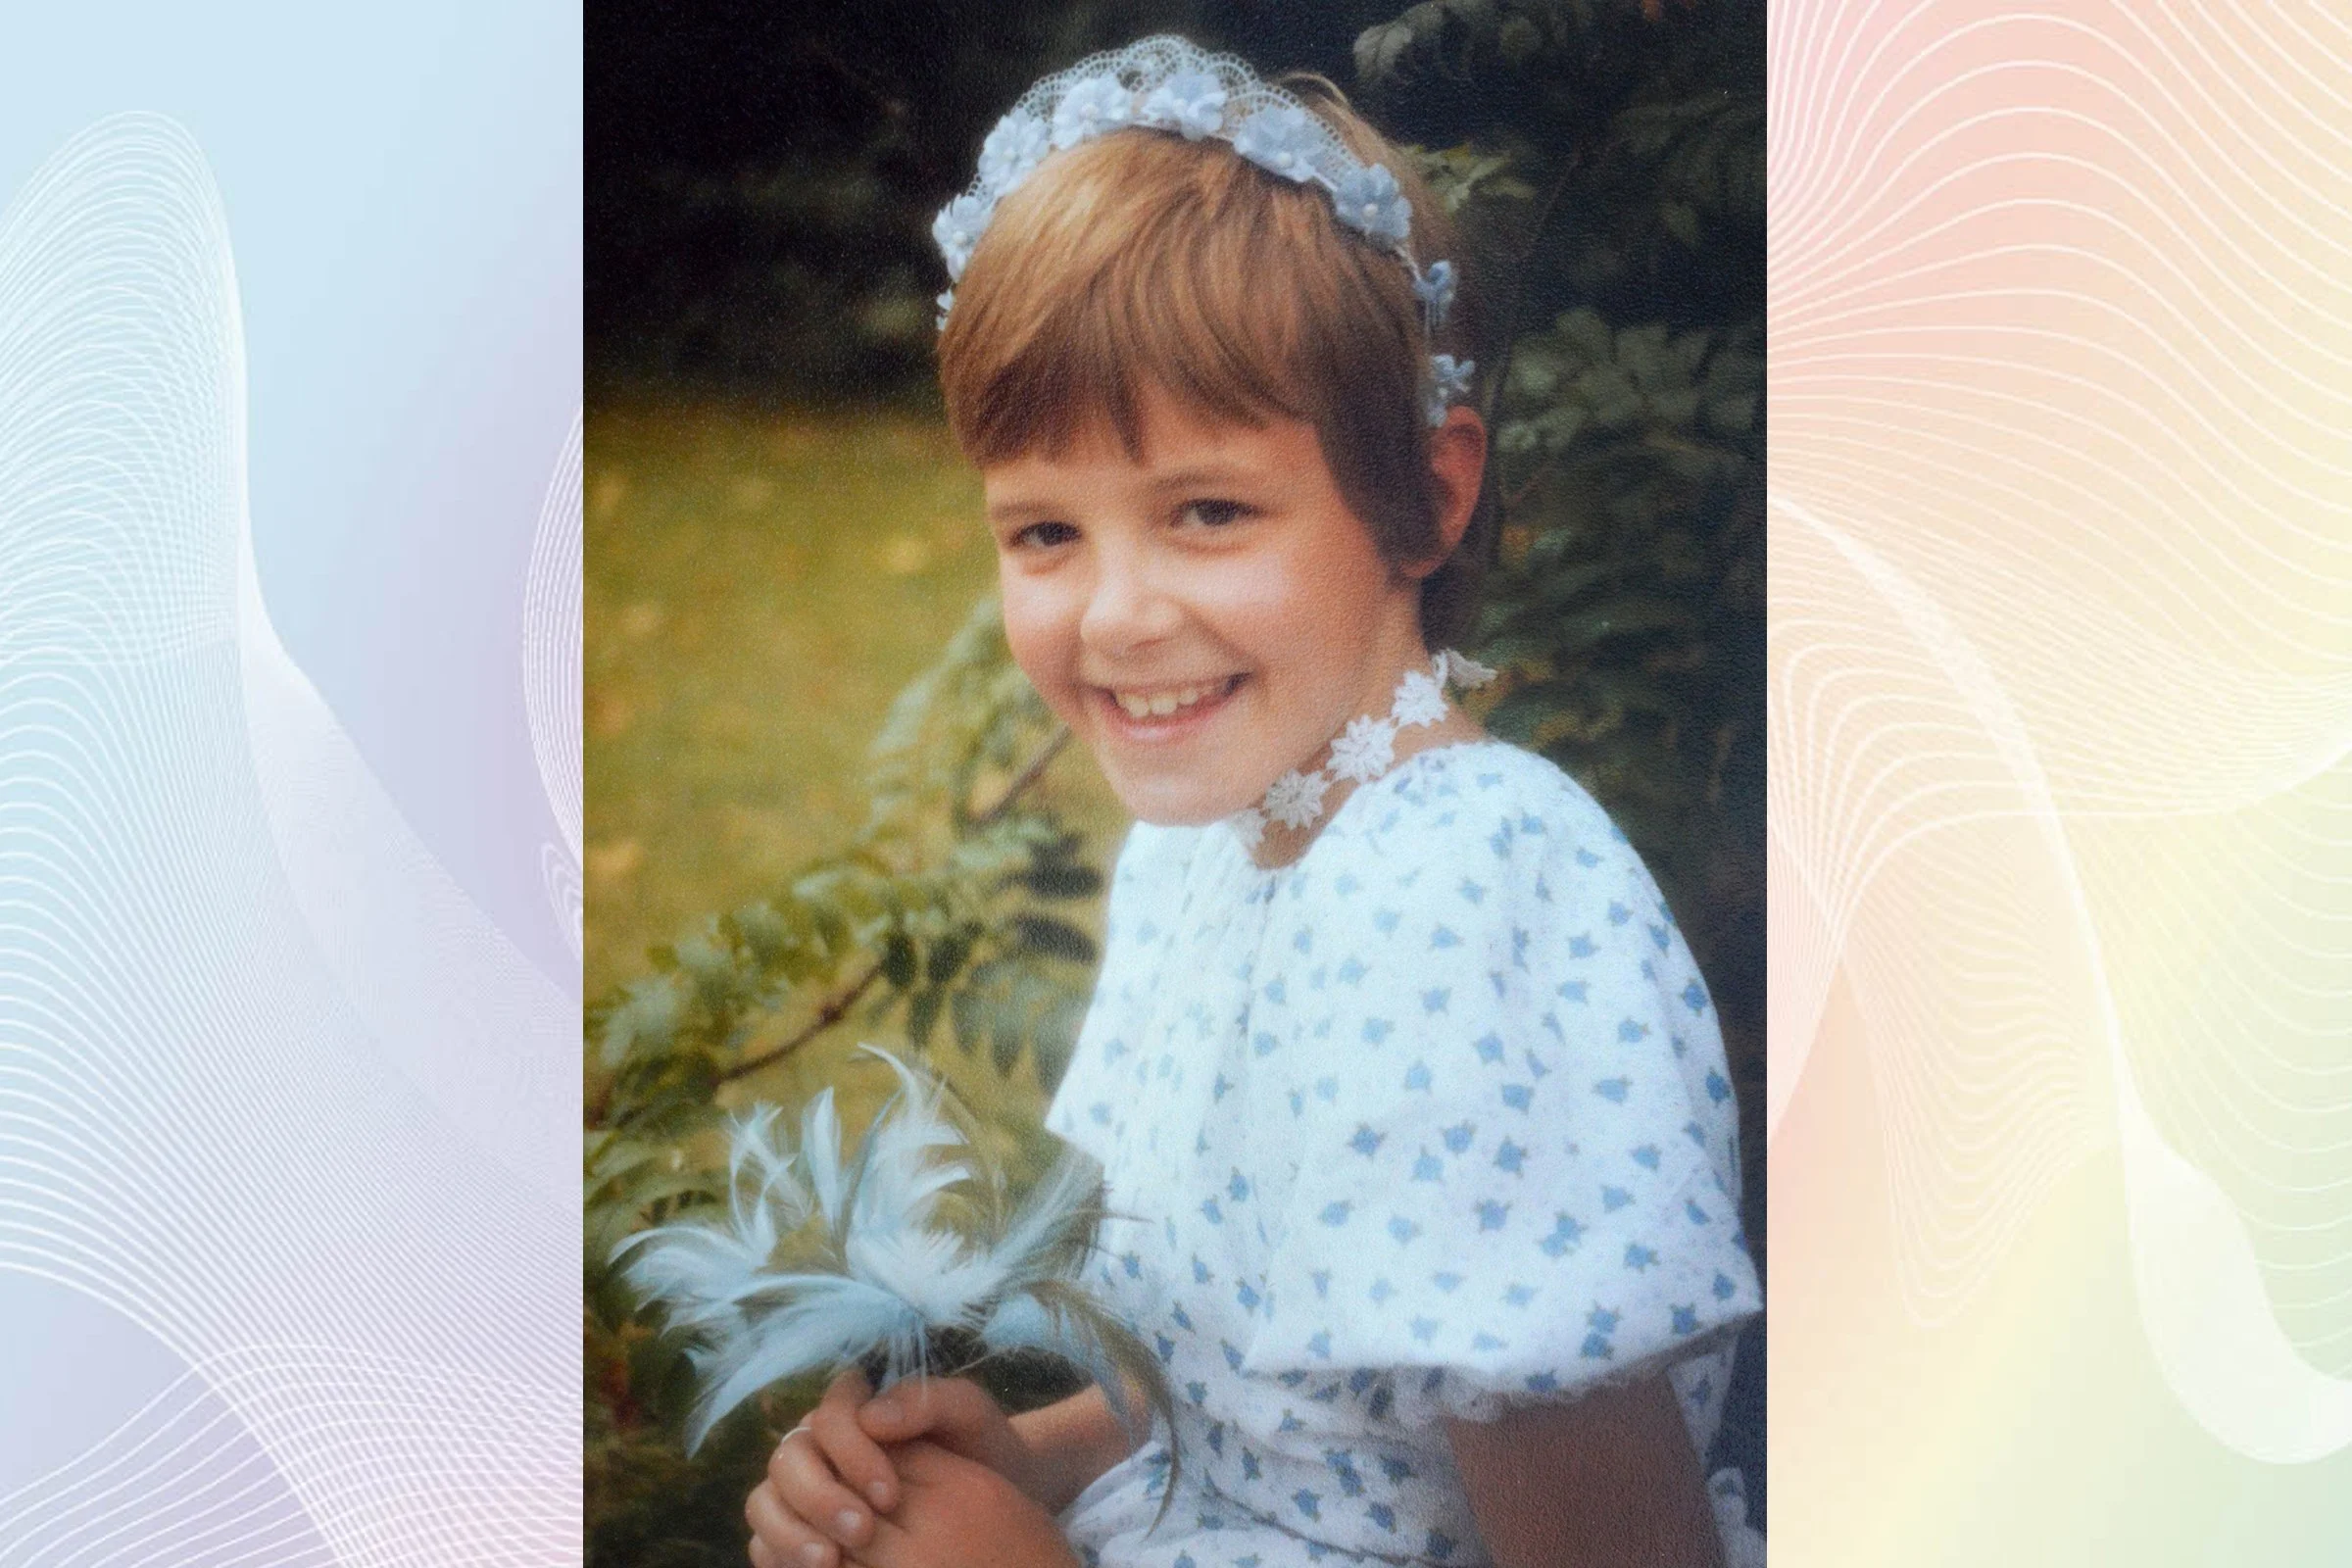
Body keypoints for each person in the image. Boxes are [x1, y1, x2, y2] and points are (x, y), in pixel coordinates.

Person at [744, 36, 1763, 1568]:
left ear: (1427, 494)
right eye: (1043, 532)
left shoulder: (1455, 904)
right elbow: (1275, 1403)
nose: (1115, 618)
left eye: (1208, 512)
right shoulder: (1210, 849)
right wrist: (1018, 1460)